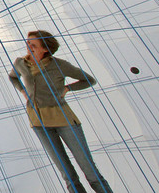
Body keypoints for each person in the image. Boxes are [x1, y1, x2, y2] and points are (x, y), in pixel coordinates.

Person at [9, 30, 112, 193]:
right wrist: (22, 91)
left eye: (33, 44)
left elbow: (89, 80)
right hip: (39, 124)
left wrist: (67, 88)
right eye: (28, 43)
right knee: (68, 176)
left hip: (64, 121)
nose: (28, 46)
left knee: (91, 172)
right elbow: (13, 77)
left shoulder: (59, 65)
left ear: (45, 49)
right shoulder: (20, 63)